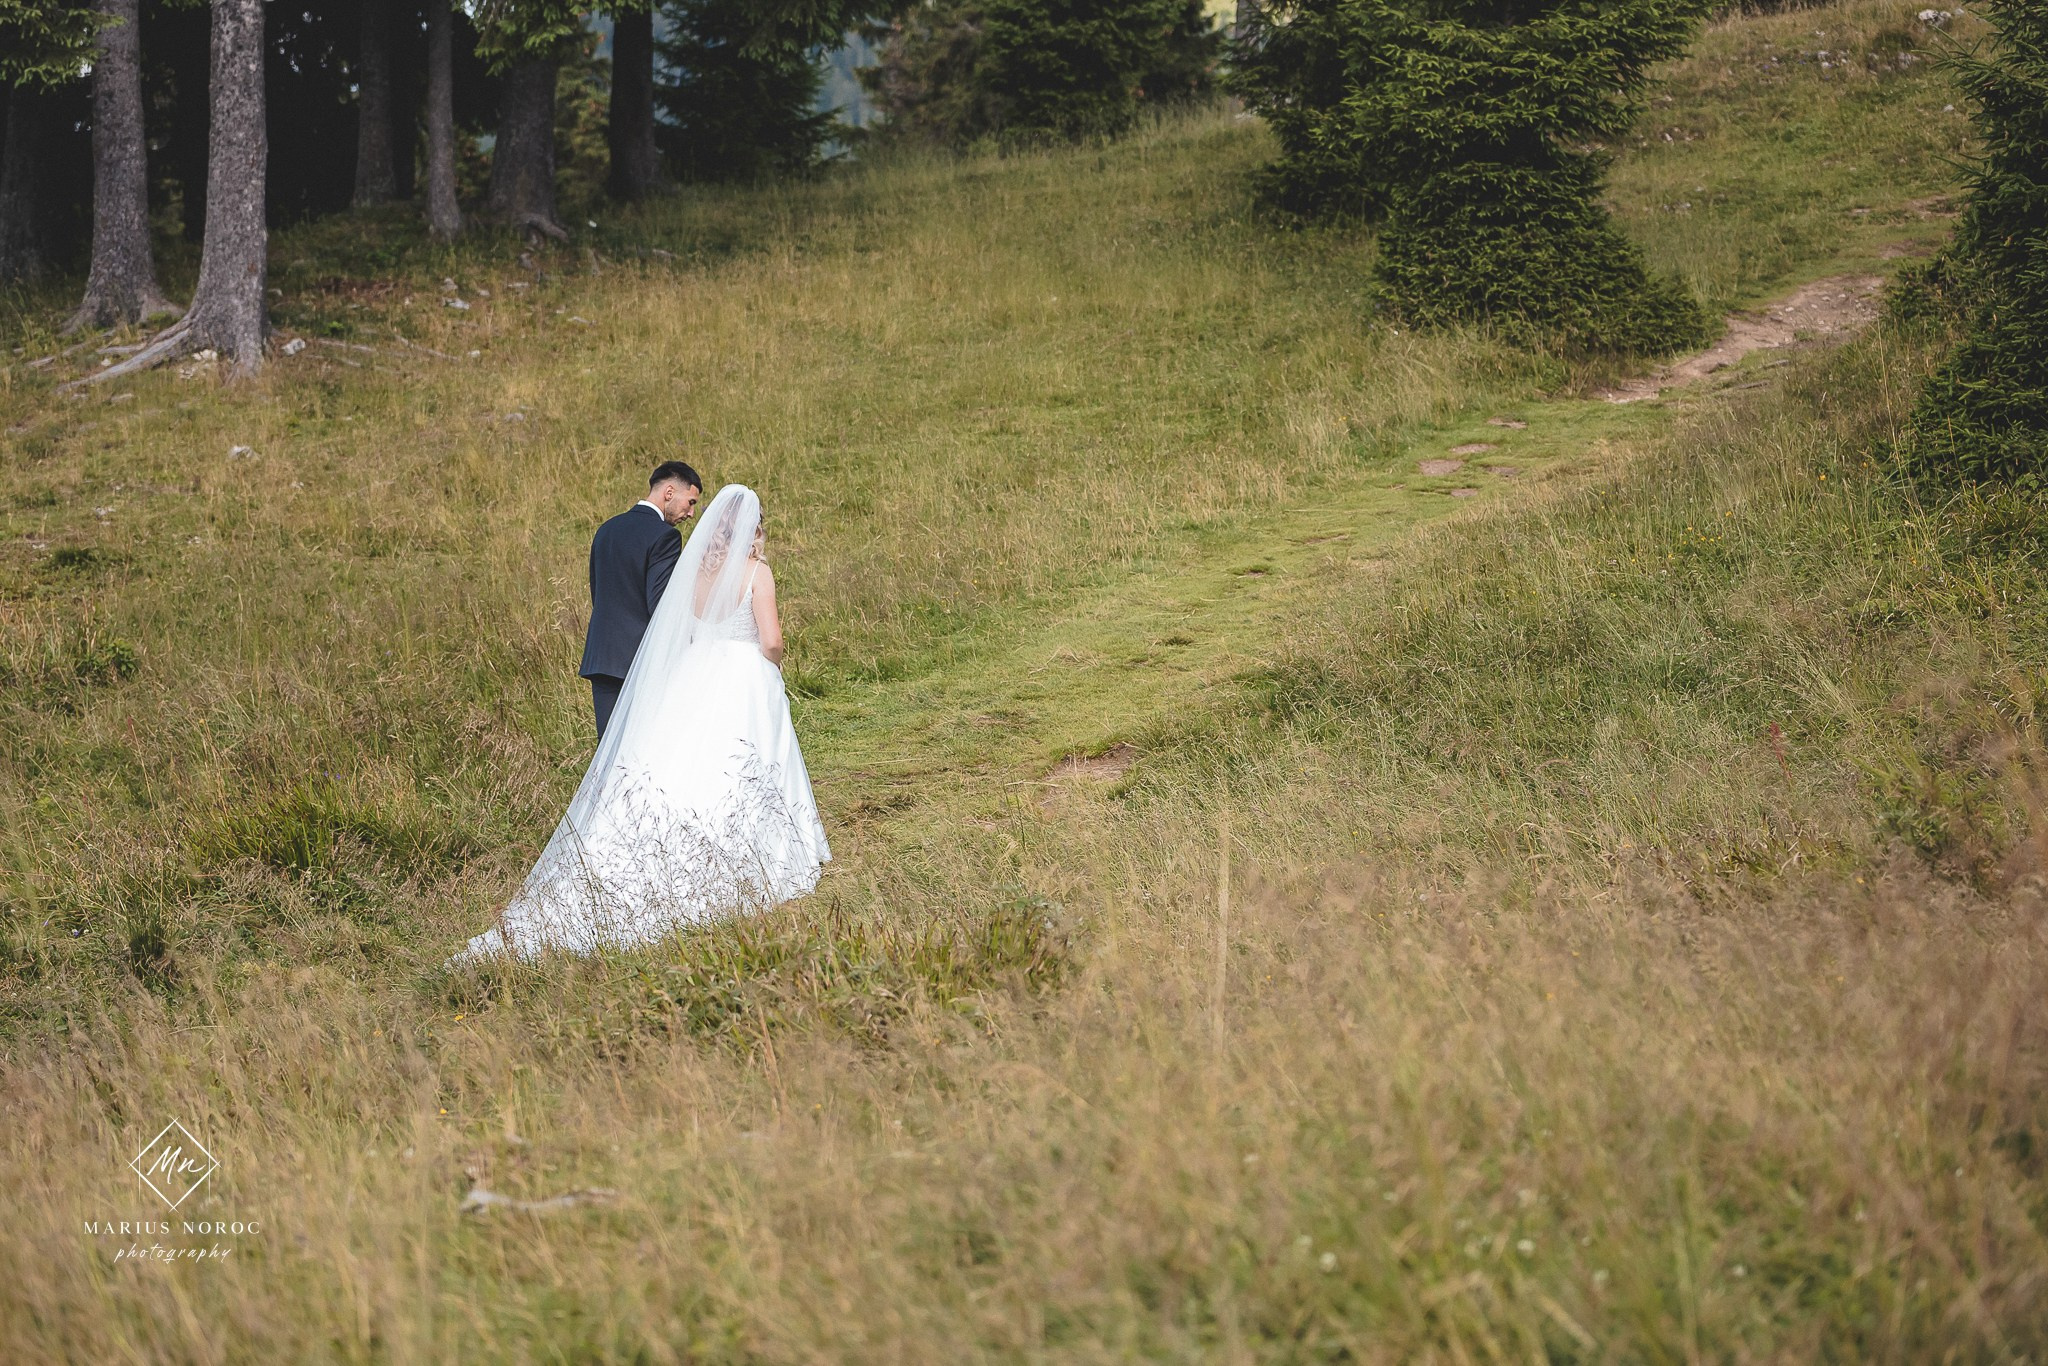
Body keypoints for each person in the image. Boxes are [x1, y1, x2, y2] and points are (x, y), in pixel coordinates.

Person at [453, 486, 830, 960]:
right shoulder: (757, 572)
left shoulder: (695, 574)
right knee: (748, 757)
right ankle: (757, 848)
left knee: (690, 758)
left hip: (697, 672)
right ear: (752, 529)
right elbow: (771, 640)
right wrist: (770, 663)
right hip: (744, 672)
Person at [581, 461, 701, 739]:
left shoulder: (606, 529)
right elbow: (661, 606)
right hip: (641, 661)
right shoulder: (665, 536)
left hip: (603, 657)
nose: (691, 513)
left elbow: (598, 592)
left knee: (609, 752)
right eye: (690, 502)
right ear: (669, 492)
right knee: (643, 751)